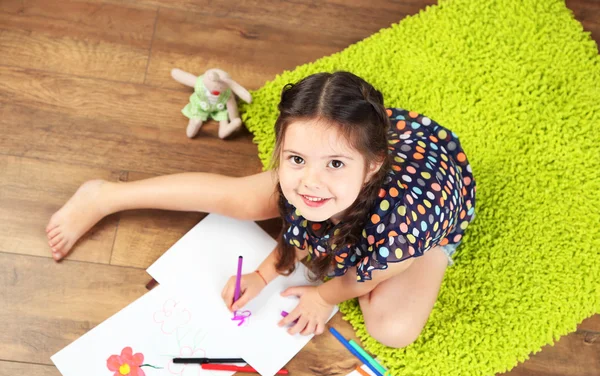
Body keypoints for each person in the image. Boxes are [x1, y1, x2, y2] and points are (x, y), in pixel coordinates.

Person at [46, 71, 475, 348]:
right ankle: (104, 195)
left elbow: (361, 279)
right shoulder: (312, 182)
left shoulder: (402, 229)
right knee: (244, 199)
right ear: (283, 149)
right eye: (295, 158)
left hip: (427, 207)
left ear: (371, 166)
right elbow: (301, 228)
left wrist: (322, 297)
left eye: (335, 164)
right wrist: (264, 273)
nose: (310, 181)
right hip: (359, 167)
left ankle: (425, 253)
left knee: (392, 330)